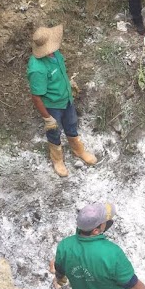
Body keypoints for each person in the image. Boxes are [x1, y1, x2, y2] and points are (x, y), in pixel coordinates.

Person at [54, 202, 145, 289]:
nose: (107, 221)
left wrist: (59, 278)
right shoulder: (111, 253)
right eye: (104, 221)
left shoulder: (64, 246)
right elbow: (132, 284)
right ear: (95, 230)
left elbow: (59, 270)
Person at [27, 25, 97, 177]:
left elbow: (61, 72)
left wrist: (68, 85)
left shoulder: (55, 54)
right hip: (52, 106)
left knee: (71, 124)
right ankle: (57, 159)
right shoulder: (37, 69)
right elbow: (36, 96)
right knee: (54, 131)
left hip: (66, 99)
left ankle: (78, 149)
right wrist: (47, 118)